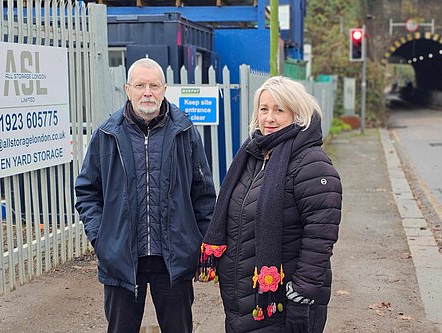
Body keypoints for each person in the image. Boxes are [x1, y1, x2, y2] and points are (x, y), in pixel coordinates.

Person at [75, 57, 216, 333]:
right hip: (123, 259)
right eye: (140, 85)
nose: (147, 92)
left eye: (153, 85)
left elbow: (204, 194)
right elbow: (87, 192)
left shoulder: (185, 133)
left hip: (173, 259)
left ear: (164, 89)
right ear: (128, 90)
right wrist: (102, 239)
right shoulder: (107, 134)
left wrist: (199, 243)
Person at [200, 76, 342, 332]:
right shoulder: (252, 155)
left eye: (279, 110)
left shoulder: (312, 163)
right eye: (264, 109)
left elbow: (320, 237)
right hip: (242, 301)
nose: (269, 118)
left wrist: (301, 295)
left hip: (282, 303)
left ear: (297, 113)